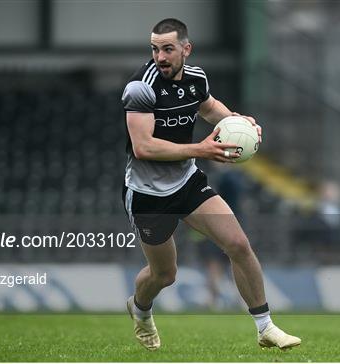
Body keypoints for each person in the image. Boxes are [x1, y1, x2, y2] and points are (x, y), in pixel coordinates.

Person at [121, 18, 300, 351]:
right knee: (164, 275)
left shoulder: (196, 78)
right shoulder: (140, 88)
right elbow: (143, 147)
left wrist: (237, 122)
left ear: (186, 49)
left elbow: (208, 107)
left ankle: (265, 327)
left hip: (187, 183)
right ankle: (140, 309)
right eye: (155, 49)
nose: (160, 56)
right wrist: (201, 149)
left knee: (239, 245)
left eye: (168, 49)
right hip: (148, 195)